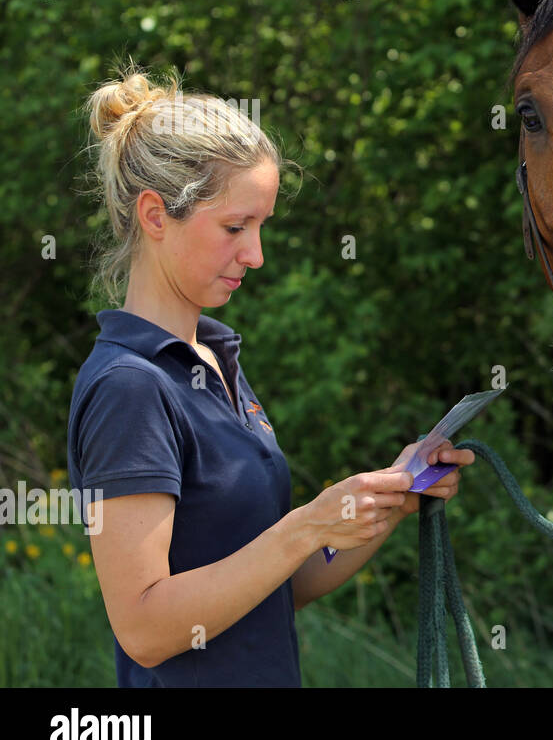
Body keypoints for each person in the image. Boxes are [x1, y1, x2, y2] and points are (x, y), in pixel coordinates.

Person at [67, 64, 475, 686]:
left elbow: (280, 589)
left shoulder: (214, 360)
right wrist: (307, 523)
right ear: (154, 215)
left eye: (260, 227)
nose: (255, 255)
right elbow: (146, 630)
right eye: (235, 227)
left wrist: (390, 498)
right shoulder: (130, 386)